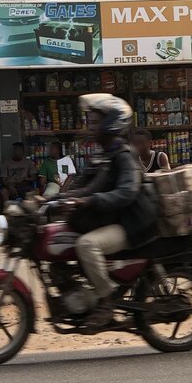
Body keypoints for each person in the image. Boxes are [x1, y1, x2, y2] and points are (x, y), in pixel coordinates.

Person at [60, 94, 158, 332]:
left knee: (86, 245)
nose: (90, 127)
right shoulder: (103, 155)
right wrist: (49, 199)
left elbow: (127, 192)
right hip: (114, 218)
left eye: (95, 122)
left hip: (132, 223)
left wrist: (90, 201)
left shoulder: (124, 155)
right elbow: (83, 187)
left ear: (111, 124)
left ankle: (106, 303)